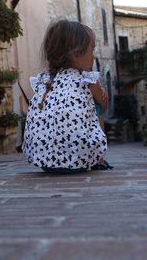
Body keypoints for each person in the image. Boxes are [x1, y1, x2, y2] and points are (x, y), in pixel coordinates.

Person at [22, 19, 111, 173]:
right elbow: (103, 106)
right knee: (96, 107)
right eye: (92, 50)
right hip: (80, 160)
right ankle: (99, 160)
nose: (93, 55)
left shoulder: (45, 80)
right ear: (76, 54)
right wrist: (103, 99)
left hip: (44, 160)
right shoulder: (87, 79)